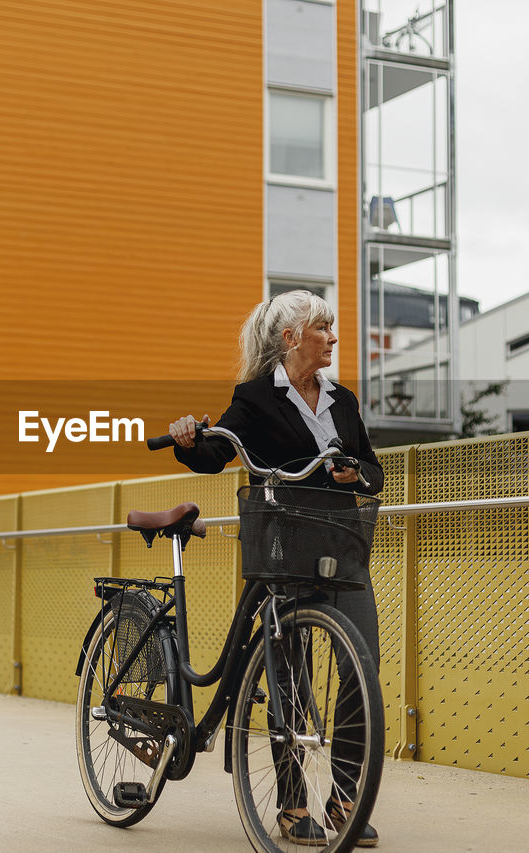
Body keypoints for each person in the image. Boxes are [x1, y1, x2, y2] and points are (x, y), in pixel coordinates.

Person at [168, 289, 382, 848]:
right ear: (291, 339)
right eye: (323, 328)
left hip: (340, 550)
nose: (333, 337)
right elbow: (216, 453)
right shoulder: (257, 399)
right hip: (284, 551)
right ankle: (290, 804)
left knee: (363, 667)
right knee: (288, 674)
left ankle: (342, 797)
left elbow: (374, 472)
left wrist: (353, 473)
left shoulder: (345, 402)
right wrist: (190, 438)